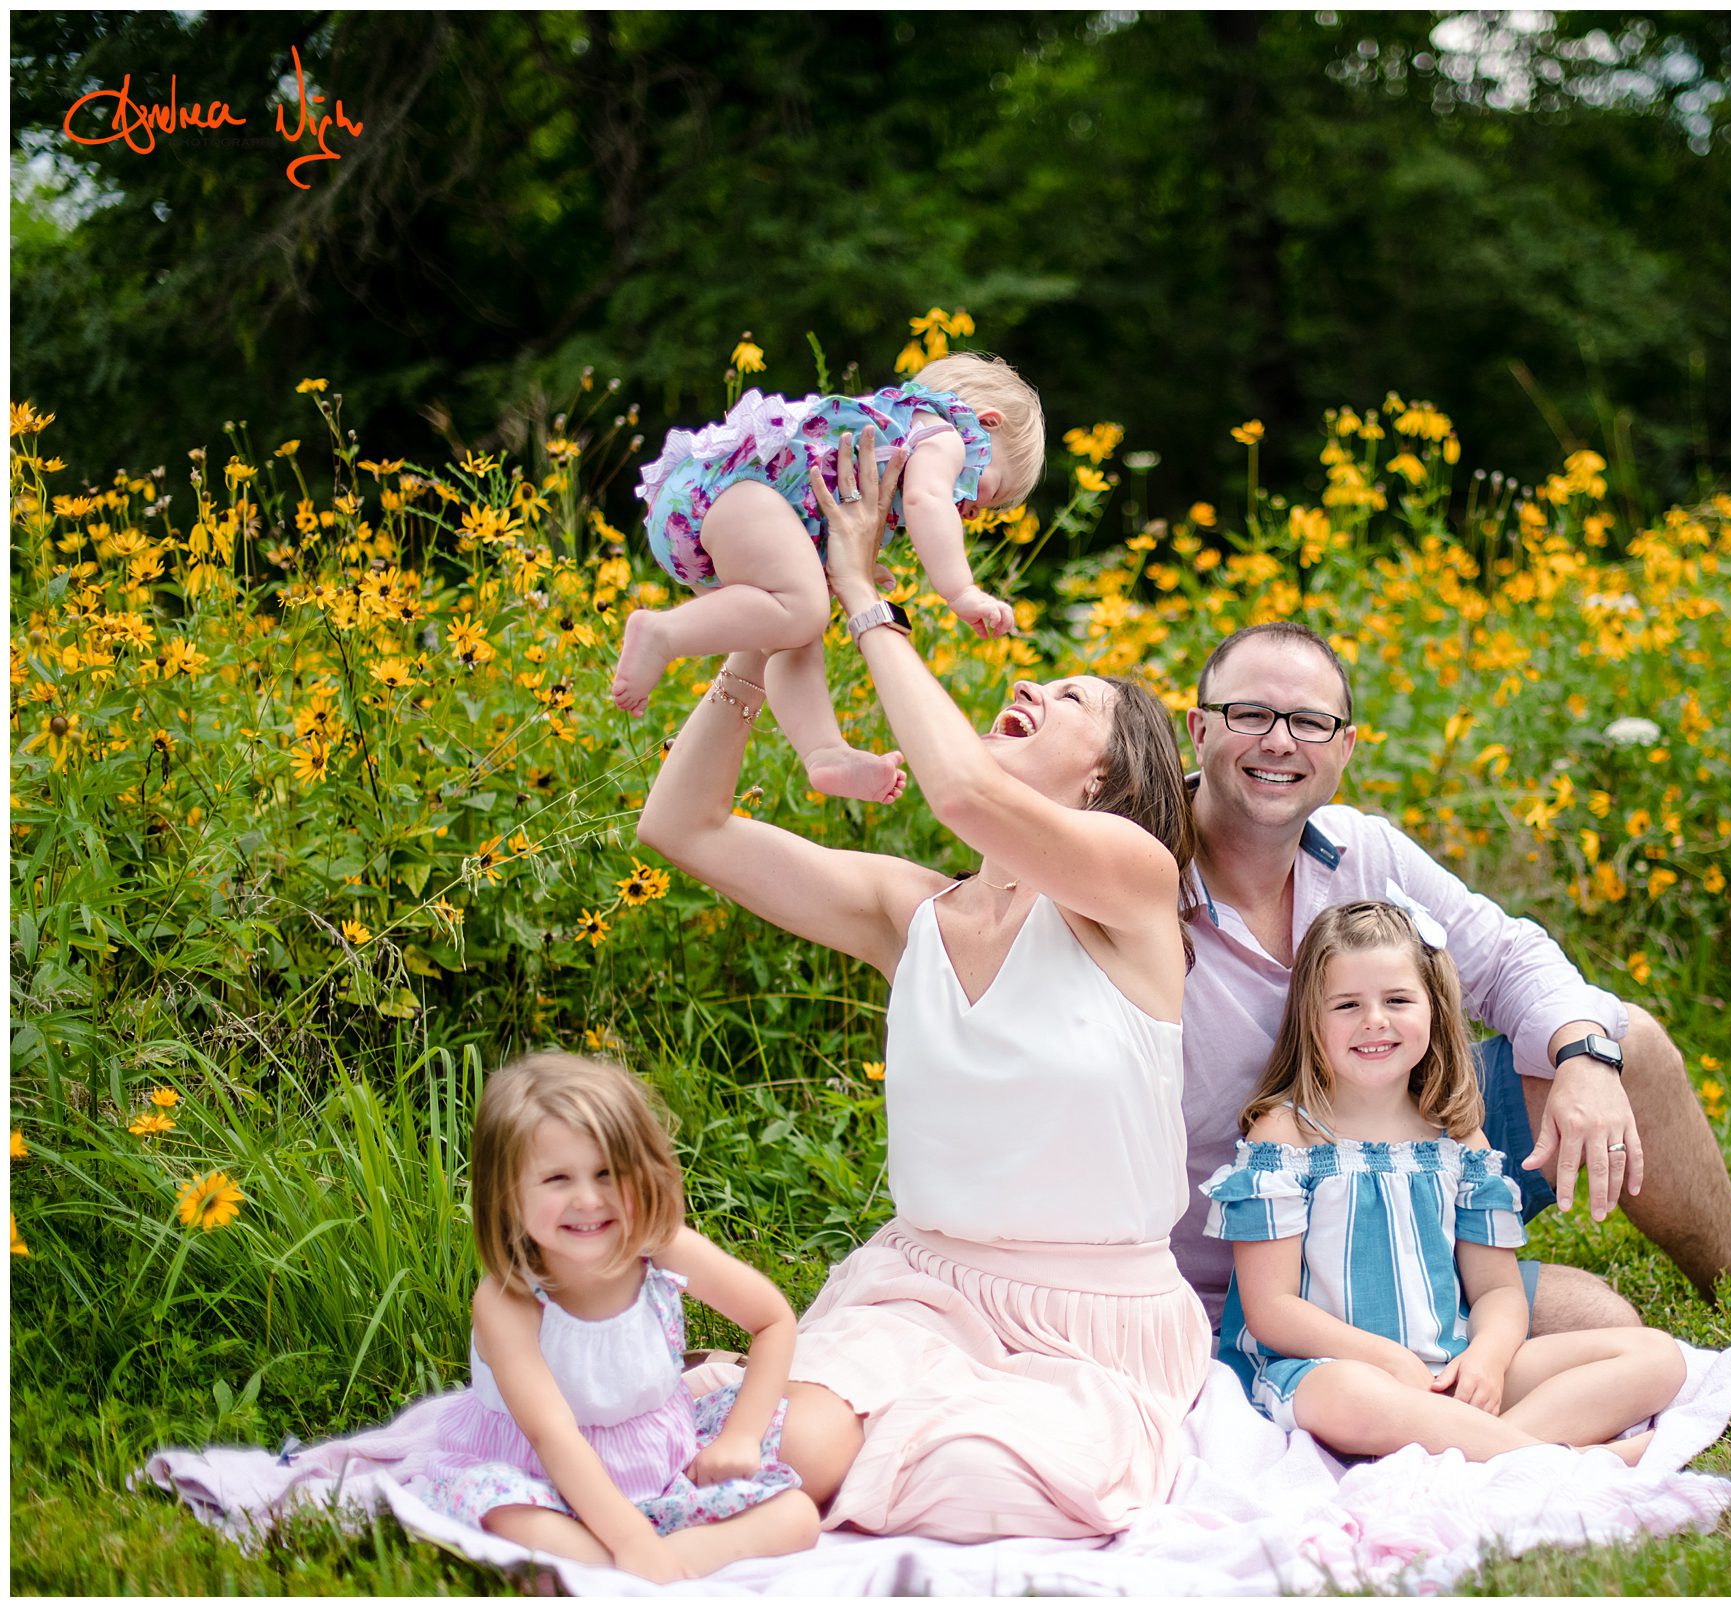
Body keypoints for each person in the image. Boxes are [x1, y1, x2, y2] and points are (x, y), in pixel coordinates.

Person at [635, 431, 1209, 1543]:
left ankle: (733, 1403)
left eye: (1074, 696)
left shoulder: (1134, 886)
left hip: (1090, 1325)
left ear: (1109, 772)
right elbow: (681, 826)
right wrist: (763, 635)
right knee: (789, 1453)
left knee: (980, 1486)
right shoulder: (916, 915)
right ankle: (723, 1404)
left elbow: (956, 790)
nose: (1030, 682)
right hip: (916, 1291)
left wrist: (862, 595)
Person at [1178, 620, 1731, 1332]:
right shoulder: (1129, 872)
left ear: (1345, 746)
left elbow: (1507, 958)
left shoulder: (1362, 851)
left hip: (1401, 1188)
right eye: (1250, 714)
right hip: (1239, 1263)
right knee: (1583, 1326)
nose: (1280, 742)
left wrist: (1583, 1052)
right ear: (1200, 730)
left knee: (1627, 1047)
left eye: (1310, 721)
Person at [1201, 901, 1686, 1463]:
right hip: (1333, 1369)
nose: (1375, 1020)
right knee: (1351, 1398)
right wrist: (1383, 1360)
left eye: (1398, 1000)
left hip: (1444, 1361)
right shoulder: (1287, 1135)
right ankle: (1558, 1461)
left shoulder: (1457, 1139)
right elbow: (1272, 1309)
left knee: (1655, 1356)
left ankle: (1483, 1456)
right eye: (1348, 1005)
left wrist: (1485, 1356)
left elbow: (1497, 1290)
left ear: (1433, 1010)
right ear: (1311, 1017)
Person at [421, 1052, 821, 1583]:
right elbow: (552, 1433)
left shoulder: (661, 1250)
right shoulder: (509, 1299)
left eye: (608, 1173)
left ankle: (661, 1560)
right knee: (517, 1521)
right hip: (547, 1480)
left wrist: (739, 1438)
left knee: (798, 1516)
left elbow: (773, 1322)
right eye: (558, 1178)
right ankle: (634, 1558)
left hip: (662, 1463)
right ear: (508, 1194)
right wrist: (632, 1537)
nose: (588, 1199)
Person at [613, 352, 1041, 805]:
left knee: (793, 631)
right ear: (986, 424)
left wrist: (850, 564)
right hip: (731, 494)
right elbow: (926, 501)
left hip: (713, 516)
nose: (972, 510)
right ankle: (660, 632)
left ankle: (824, 752)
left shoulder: (901, 436)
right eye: (989, 491)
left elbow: (845, 510)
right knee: (803, 609)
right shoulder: (948, 435)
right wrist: (961, 591)